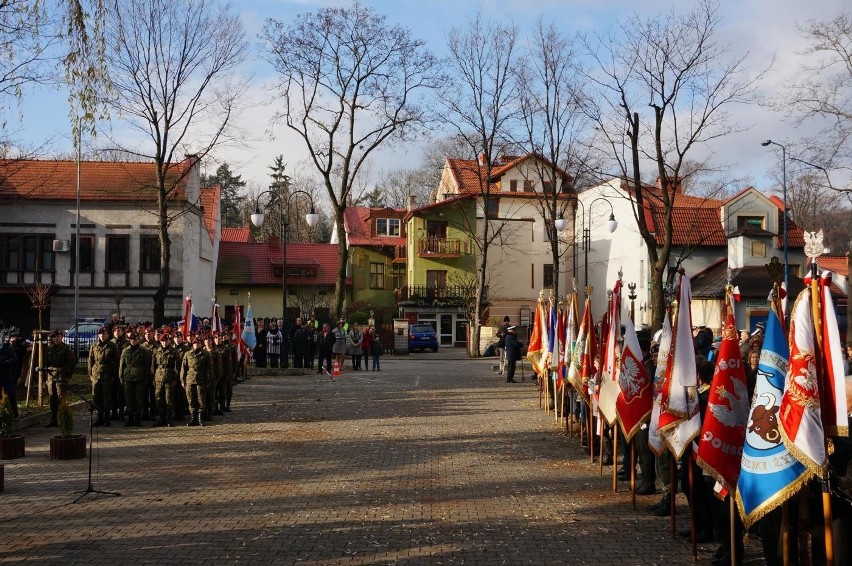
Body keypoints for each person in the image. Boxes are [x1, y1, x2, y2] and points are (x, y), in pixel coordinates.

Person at [44, 329, 75, 427]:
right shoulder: (49, 348)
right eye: (54, 337)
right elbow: (46, 363)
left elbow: (71, 362)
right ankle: (53, 419)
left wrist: (68, 375)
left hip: (61, 375)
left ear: (61, 337)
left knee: (61, 398)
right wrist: (46, 376)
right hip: (50, 375)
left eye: (58, 336)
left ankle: (62, 419)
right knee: (52, 398)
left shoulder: (66, 348)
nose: (56, 338)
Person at [88, 326, 117, 426]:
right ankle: (99, 417)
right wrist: (90, 374)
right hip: (96, 374)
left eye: (104, 334)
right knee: (96, 397)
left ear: (108, 335)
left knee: (107, 397)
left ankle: (106, 418)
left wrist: (114, 375)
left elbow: (116, 362)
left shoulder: (112, 346)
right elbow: (90, 360)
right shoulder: (94, 345)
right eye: (100, 334)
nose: (102, 335)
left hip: (107, 374)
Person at [119, 331, 148, 427]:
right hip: (128, 377)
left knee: (138, 398)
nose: (134, 341)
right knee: (129, 398)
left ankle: (137, 418)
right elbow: (122, 365)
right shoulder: (125, 350)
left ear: (138, 340)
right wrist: (121, 376)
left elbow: (146, 365)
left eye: (135, 339)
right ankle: (130, 418)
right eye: (132, 339)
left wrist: (146, 378)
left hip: (139, 377)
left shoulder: (143, 351)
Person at [180, 335, 210, 427]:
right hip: (190, 380)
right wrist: (182, 380)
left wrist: (208, 381)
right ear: (192, 344)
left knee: (201, 399)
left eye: (198, 343)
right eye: (195, 343)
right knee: (191, 399)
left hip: (201, 380)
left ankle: (200, 418)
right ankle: (193, 418)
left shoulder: (205, 354)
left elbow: (209, 369)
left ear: (201, 344)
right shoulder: (188, 354)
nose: (196, 345)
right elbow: (183, 368)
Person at [151, 332, 179, 427]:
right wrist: (153, 378)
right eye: (162, 341)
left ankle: (168, 418)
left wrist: (175, 379)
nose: (164, 343)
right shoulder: (156, 351)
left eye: (166, 341)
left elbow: (176, 367)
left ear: (169, 341)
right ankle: (161, 417)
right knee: (158, 398)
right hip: (158, 377)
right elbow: (153, 366)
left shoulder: (173, 351)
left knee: (168, 399)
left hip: (169, 377)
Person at [0, 332, 19, 419]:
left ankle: (15, 414)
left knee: (11, 394)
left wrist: (5, 362)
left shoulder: (9, 348)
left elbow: (15, 360)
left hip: (7, 375)